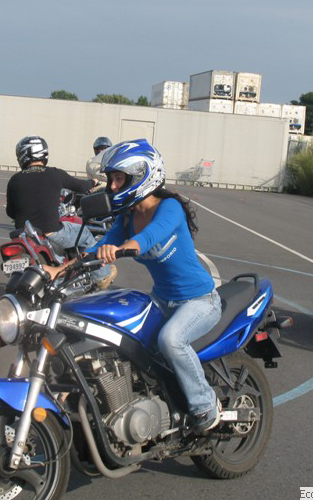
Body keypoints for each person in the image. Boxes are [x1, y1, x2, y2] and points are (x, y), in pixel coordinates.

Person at [89, 139, 222, 432]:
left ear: (141, 176)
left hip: (199, 300)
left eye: (119, 179)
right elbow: (100, 246)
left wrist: (123, 248)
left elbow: (150, 236)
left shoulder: (169, 207)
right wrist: (58, 269)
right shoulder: (128, 216)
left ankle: (205, 405)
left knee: (170, 340)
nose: (112, 186)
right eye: (111, 180)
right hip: (162, 299)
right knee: (127, 341)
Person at [5, 135, 115, 289]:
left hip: (24, 235)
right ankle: (102, 276)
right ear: (44, 154)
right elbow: (81, 186)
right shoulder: (55, 174)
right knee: (85, 234)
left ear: (22, 156)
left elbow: (10, 212)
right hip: (52, 232)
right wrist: (94, 181)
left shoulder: (15, 180)